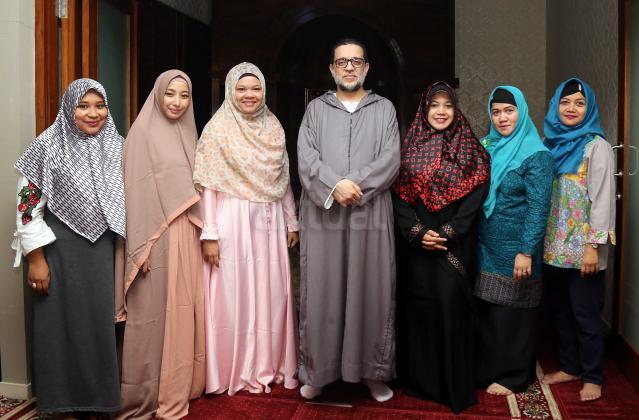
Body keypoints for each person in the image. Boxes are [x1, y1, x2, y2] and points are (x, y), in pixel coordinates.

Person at [12, 79, 125, 415]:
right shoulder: (45, 147)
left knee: (101, 328)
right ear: (68, 108)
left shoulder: (118, 146)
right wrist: (36, 259)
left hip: (105, 253)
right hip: (59, 253)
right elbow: (27, 207)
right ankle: (62, 403)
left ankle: (101, 402)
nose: (93, 113)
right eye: (83, 106)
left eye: (100, 106)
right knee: (61, 329)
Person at [297, 38, 400, 402]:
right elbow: (305, 157)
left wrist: (354, 186)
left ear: (367, 68)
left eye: (357, 61)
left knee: (371, 289)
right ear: (332, 69)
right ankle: (318, 372)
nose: (350, 67)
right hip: (323, 214)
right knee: (321, 289)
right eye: (342, 62)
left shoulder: (384, 109)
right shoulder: (315, 110)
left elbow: (391, 158)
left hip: (369, 214)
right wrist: (334, 185)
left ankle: (372, 372)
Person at [193, 62, 299, 395]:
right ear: (230, 91)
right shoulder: (217, 129)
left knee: (272, 292)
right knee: (233, 294)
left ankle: (268, 363)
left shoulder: (274, 127)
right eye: (241, 89)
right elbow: (208, 186)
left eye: (255, 88)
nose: (249, 95)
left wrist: (291, 220)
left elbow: (282, 179)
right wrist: (209, 233)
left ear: (264, 91)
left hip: (268, 221)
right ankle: (233, 369)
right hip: (231, 220)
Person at [392, 82, 491, 413]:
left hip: (454, 245)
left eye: (448, 105)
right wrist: (418, 232)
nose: (441, 111)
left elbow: (477, 194)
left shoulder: (472, 150)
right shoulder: (407, 150)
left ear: (456, 109)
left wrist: (450, 231)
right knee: (419, 307)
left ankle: (452, 385)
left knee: (451, 306)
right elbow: (397, 195)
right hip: (417, 245)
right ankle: (421, 383)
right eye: (434, 105)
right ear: (424, 109)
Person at [117, 70, 205, 419]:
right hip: (154, 237)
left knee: (182, 309)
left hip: (186, 233)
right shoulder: (141, 134)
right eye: (170, 94)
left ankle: (177, 385)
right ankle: (145, 394)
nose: (177, 102)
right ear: (157, 94)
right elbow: (133, 192)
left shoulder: (189, 133)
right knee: (150, 315)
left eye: (184, 95)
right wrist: (140, 247)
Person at [474, 86, 553, 396]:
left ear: (522, 111)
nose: (502, 118)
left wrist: (526, 251)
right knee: (492, 311)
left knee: (515, 314)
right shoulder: (489, 146)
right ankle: (491, 369)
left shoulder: (537, 154)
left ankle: (515, 377)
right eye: (496, 112)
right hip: (486, 243)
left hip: (518, 247)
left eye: (509, 111)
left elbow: (538, 208)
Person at [541, 78, 615, 402]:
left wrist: (592, 247)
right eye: (565, 102)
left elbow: (603, 199)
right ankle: (570, 367)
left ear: (589, 109)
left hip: (584, 249)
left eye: (580, 103)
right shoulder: (549, 144)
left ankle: (593, 376)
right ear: (556, 106)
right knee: (560, 311)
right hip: (554, 246)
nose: (571, 108)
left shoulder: (596, 146)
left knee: (585, 314)